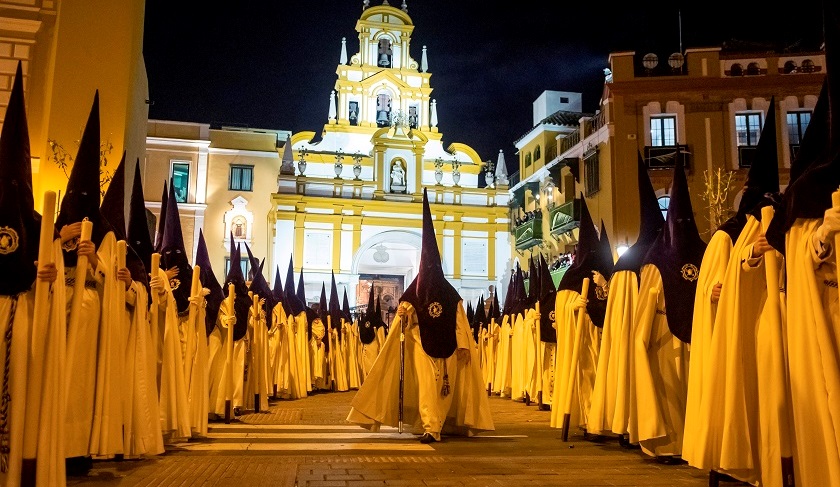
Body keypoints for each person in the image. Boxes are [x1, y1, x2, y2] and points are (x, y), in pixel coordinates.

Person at [347, 188, 494, 442]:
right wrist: (405, 315)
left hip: (448, 350)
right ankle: (430, 426)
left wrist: (463, 345)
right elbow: (403, 326)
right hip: (421, 349)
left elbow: (460, 322)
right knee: (427, 387)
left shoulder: (450, 294)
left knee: (444, 391)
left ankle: (439, 423)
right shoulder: (413, 295)